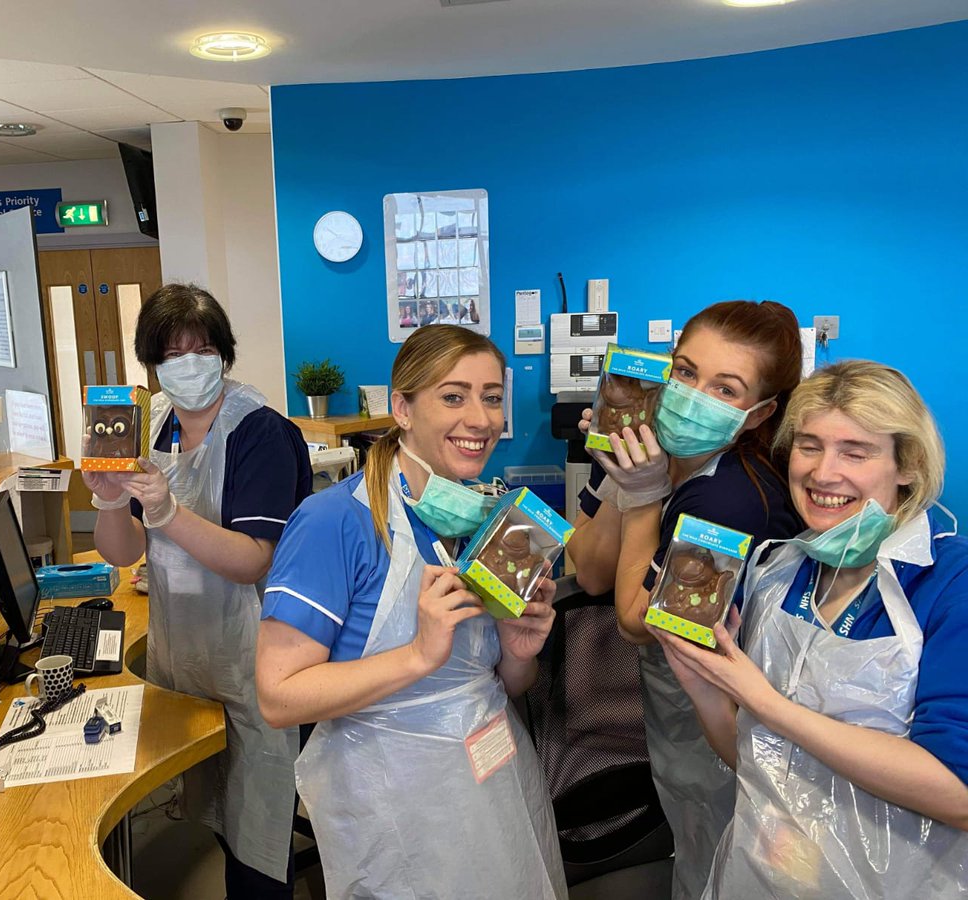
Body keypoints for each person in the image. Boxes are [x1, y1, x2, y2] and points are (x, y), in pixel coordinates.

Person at [256, 324, 568, 899]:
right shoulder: (335, 522)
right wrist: (418, 655)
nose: (480, 419)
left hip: (494, 773)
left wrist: (519, 652)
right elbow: (279, 697)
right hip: (392, 796)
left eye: (491, 397)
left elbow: (500, 681)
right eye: (453, 396)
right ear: (402, 407)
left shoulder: (496, 522)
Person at [657, 361, 968, 899]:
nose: (824, 473)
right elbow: (757, 758)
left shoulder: (949, 584)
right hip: (760, 874)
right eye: (809, 445)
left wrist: (763, 701)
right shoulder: (776, 571)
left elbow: (957, 795)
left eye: (856, 451)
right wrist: (707, 690)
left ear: (907, 466)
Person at [567, 300, 805, 900]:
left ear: (760, 413)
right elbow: (589, 570)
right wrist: (617, 477)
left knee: (725, 861)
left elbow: (635, 620)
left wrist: (643, 495)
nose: (693, 394)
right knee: (698, 846)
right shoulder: (669, 458)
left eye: (725, 388)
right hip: (678, 711)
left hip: (720, 716)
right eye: (684, 371)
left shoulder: (728, 501)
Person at [83, 283, 312, 898]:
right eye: (171, 355)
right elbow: (127, 552)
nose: (188, 366)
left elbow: (251, 560)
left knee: (256, 840)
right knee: (212, 815)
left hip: (251, 661)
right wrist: (110, 504)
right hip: (183, 658)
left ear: (224, 355)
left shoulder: (261, 434)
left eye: (202, 350)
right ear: (152, 365)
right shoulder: (148, 425)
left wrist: (165, 513)